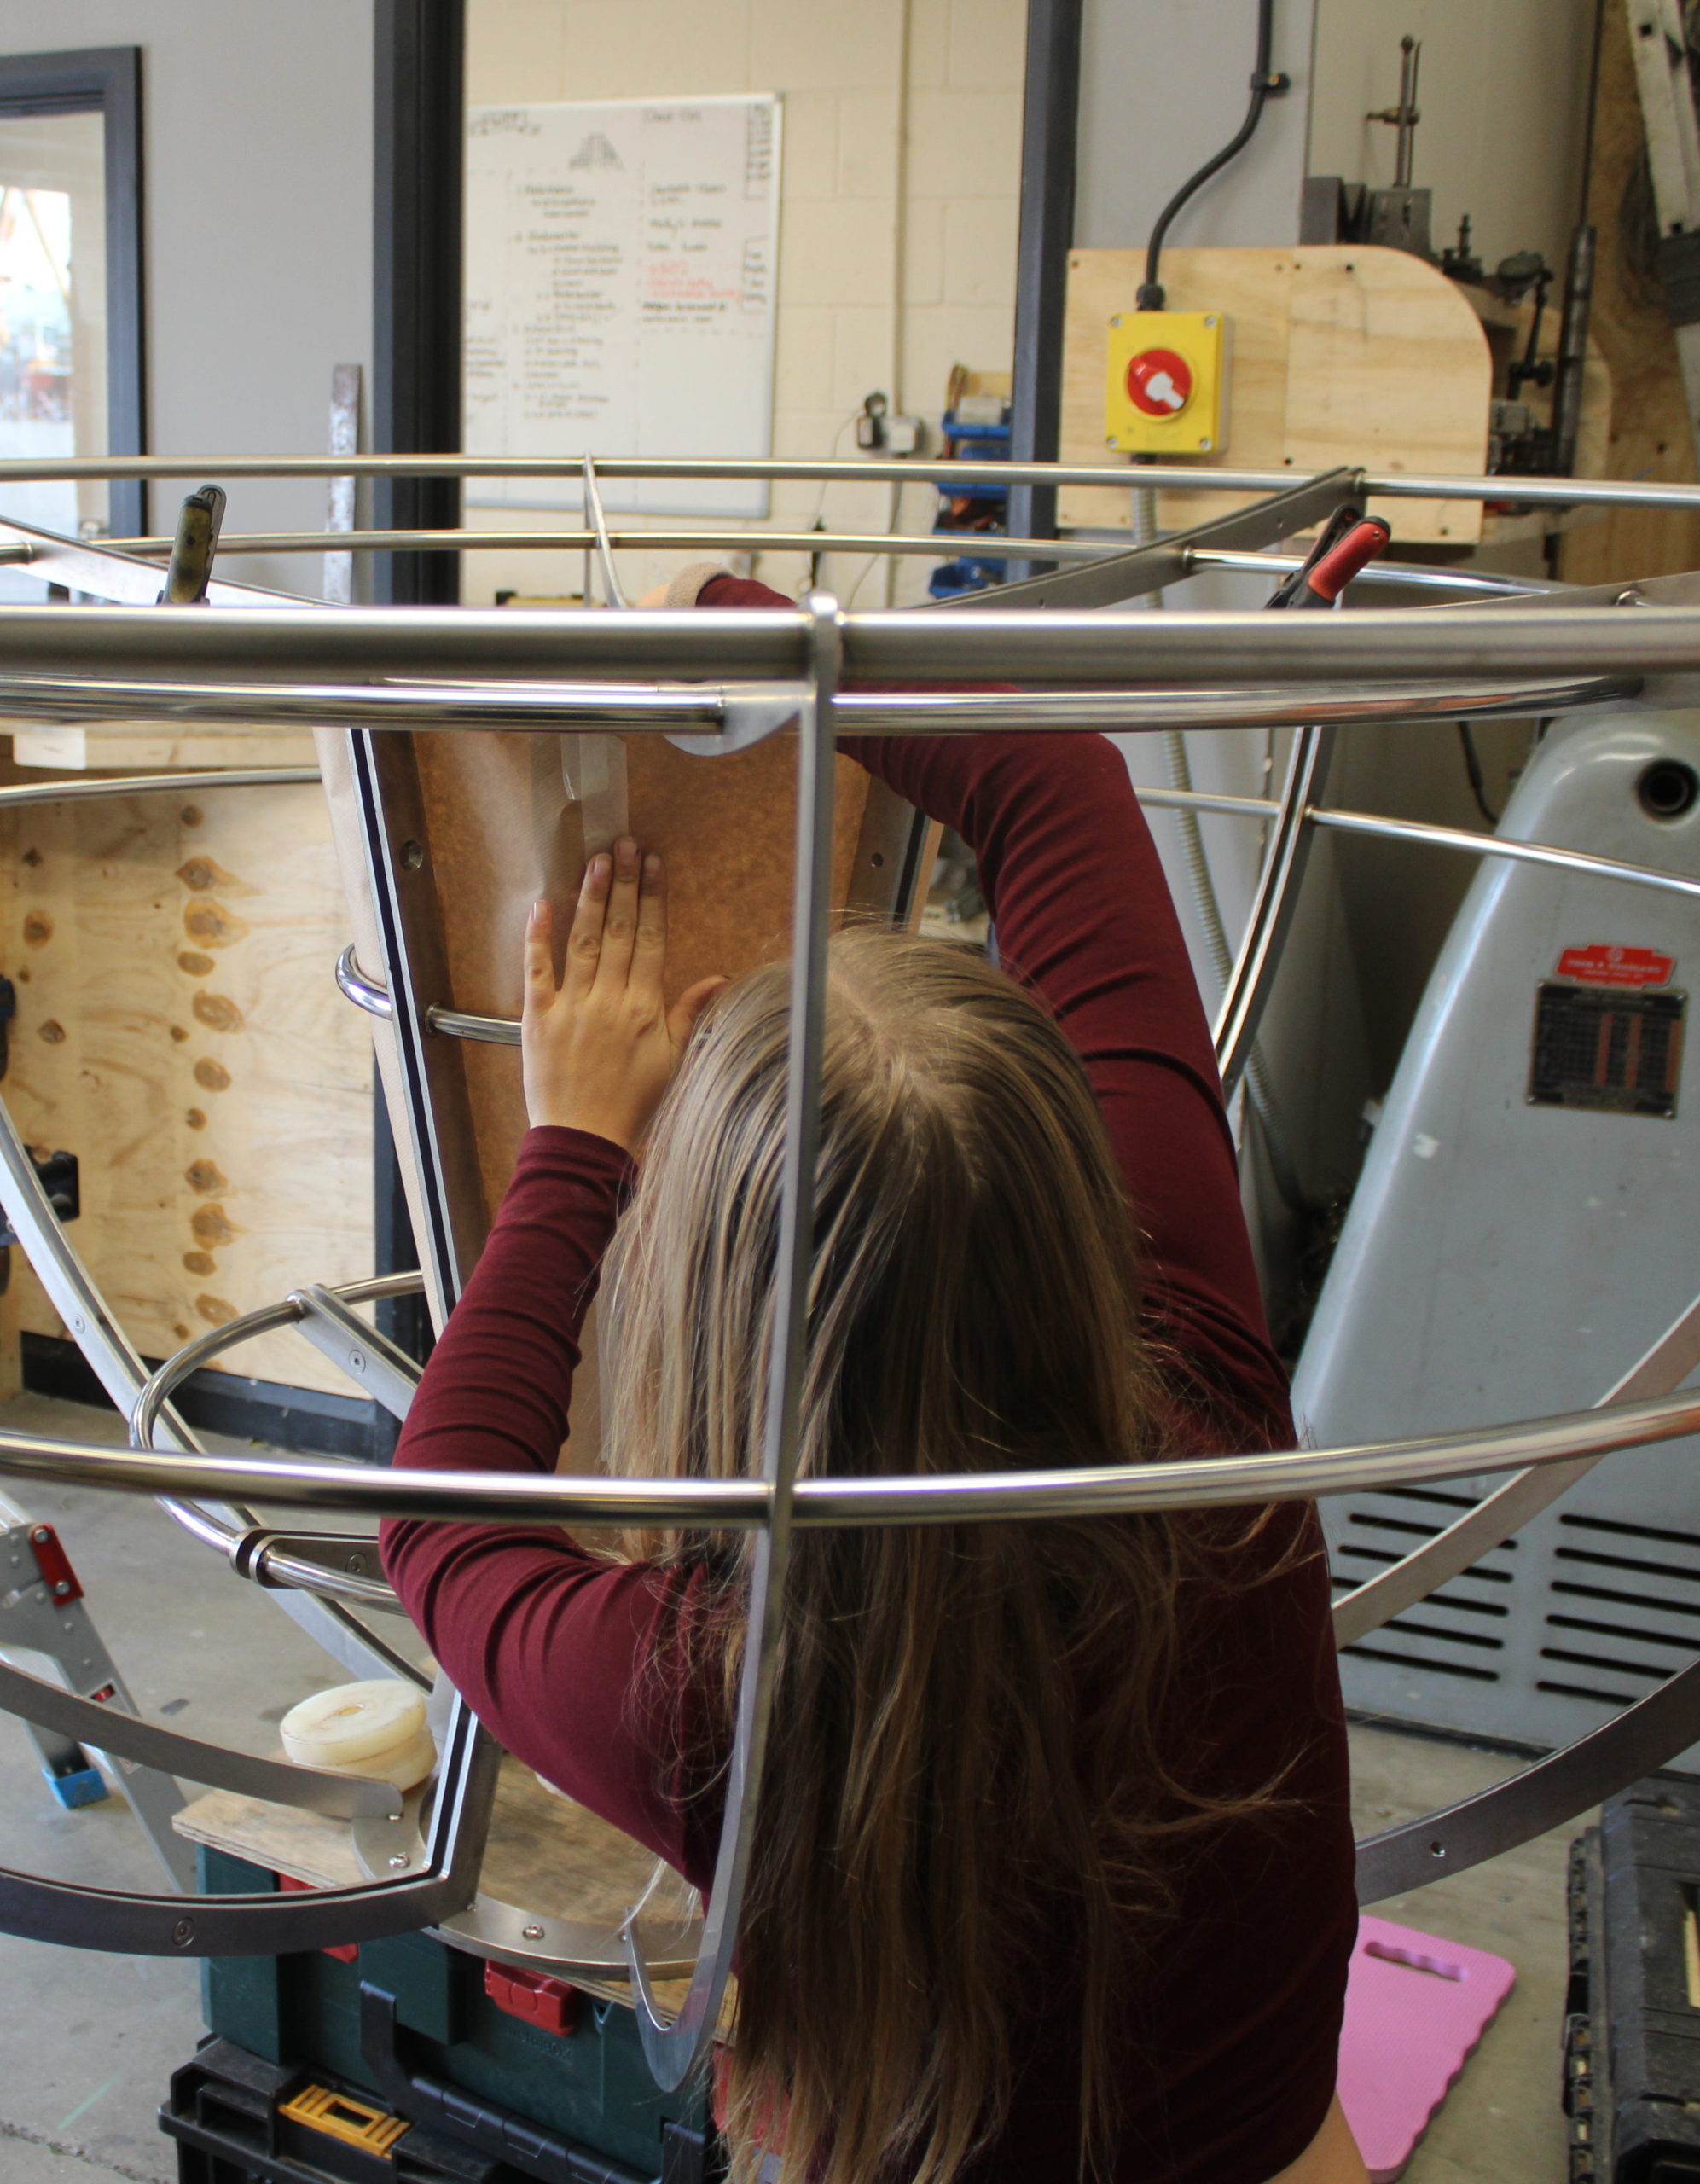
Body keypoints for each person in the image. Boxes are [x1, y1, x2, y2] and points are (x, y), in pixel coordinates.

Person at [380, 572, 1361, 2184]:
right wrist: (744, 615)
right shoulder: (1203, 1381)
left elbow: (437, 1529)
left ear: (712, 1286)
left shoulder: (705, 1695)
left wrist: (572, 1144)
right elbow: (1056, 774)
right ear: (1077, 1167)